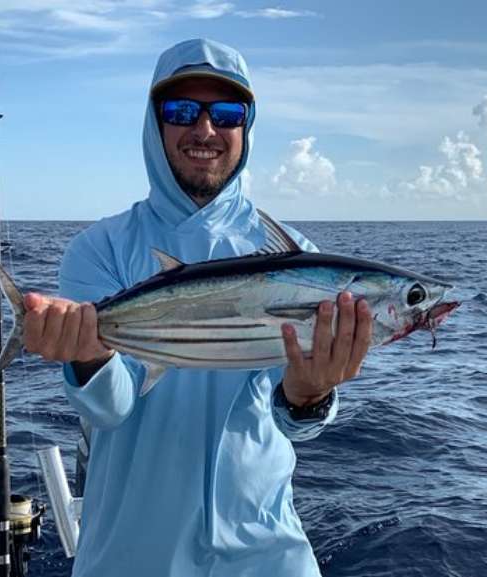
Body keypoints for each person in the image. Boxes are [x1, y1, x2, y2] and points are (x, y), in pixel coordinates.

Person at [22, 38, 373, 577]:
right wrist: (89, 355)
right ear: (154, 123)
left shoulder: (292, 251)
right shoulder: (102, 247)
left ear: (246, 127)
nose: (205, 130)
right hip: (133, 555)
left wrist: (310, 396)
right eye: (182, 110)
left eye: (226, 113)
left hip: (266, 552)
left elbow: (292, 425)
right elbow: (110, 409)